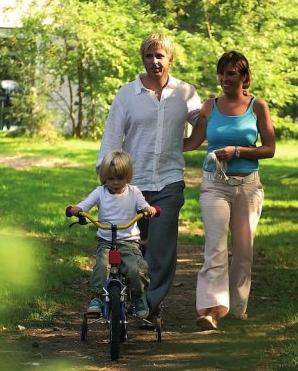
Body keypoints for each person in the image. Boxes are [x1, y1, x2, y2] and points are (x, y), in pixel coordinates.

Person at [97, 32, 202, 319]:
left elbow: (205, 122)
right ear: (142, 58)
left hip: (169, 182)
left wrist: (194, 143)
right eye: (149, 56)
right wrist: (104, 173)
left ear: (171, 59)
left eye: (160, 56)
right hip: (131, 185)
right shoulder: (127, 94)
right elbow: (112, 137)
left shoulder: (185, 93)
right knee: (130, 247)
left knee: (160, 249)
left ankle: (148, 307)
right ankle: (128, 296)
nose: (154, 62)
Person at [183, 50, 275, 330]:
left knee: (244, 251)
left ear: (244, 76)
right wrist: (154, 140)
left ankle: (236, 308)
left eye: (231, 73)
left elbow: (269, 149)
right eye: (221, 73)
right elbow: (191, 143)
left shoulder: (258, 107)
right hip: (215, 185)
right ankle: (209, 310)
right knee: (215, 247)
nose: (224, 78)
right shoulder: (210, 107)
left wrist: (238, 150)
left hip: (248, 187)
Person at [68, 150, 157, 318]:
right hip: (106, 241)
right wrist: (78, 210)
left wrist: (147, 209)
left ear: (128, 177)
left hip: (128, 242)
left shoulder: (134, 192)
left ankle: (138, 297)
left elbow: (143, 204)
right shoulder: (100, 192)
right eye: (110, 178)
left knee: (136, 269)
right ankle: (97, 297)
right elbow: (86, 203)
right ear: (104, 177)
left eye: (120, 178)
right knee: (101, 266)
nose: (115, 182)